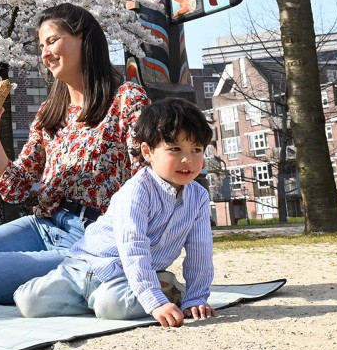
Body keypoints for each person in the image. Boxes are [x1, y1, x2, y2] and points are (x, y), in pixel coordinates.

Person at [0, 3, 150, 305]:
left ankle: (95, 277)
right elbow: (15, 187)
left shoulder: (126, 99)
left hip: (93, 236)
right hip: (43, 225)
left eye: (52, 41)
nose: (45, 53)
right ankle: (68, 284)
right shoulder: (52, 110)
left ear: (84, 38)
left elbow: (147, 178)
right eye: (41, 46)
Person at [14, 98, 216, 325]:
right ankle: (97, 297)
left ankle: (166, 289)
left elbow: (200, 252)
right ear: (148, 152)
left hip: (127, 278)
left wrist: (195, 297)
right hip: (84, 266)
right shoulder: (137, 190)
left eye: (196, 149)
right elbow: (134, 245)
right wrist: (153, 300)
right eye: (175, 149)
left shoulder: (198, 197)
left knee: (109, 306)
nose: (187, 159)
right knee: (27, 302)